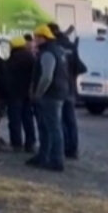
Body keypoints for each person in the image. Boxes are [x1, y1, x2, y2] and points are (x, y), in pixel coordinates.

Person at [28, 24, 69, 171]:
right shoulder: (58, 50)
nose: (34, 40)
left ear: (42, 38)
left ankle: (56, 160)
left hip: (50, 95)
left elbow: (46, 76)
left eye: (36, 37)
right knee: (49, 127)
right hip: (59, 93)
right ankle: (44, 156)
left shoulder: (47, 53)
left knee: (52, 128)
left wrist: (38, 93)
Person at [48, 22, 87, 160]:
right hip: (70, 88)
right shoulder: (71, 46)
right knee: (71, 120)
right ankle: (73, 149)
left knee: (59, 121)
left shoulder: (54, 47)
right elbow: (80, 67)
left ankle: (62, 148)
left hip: (58, 89)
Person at [5, 35, 37, 153]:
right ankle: (30, 143)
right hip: (27, 94)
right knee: (28, 119)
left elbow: (6, 77)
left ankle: (17, 144)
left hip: (14, 94)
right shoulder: (31, 58)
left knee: (15, 120)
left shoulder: (11, 60)